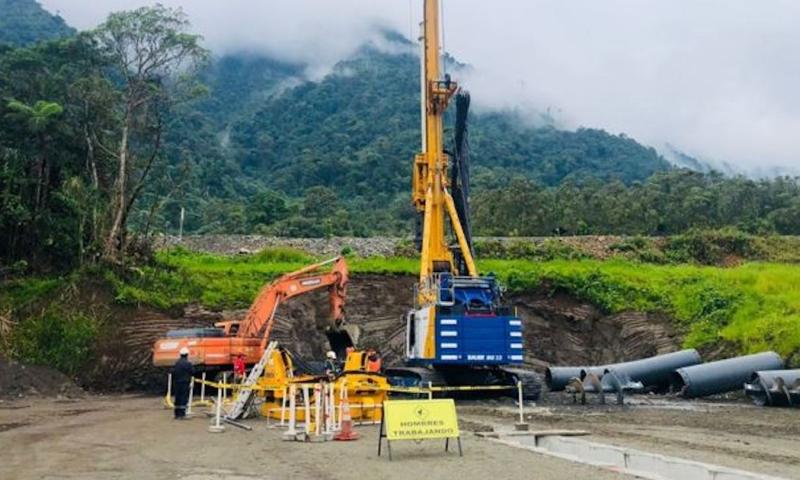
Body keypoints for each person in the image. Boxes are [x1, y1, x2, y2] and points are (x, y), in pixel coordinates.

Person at [172, 347, 193, 419]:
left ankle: (176, 414)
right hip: (185, 382)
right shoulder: (188, 363)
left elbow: (174, 372)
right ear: (187, 355)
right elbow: (192, 372)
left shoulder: (177, 363)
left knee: (177, 397)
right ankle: (182, 414)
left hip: (177, 382)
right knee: (183, 398)